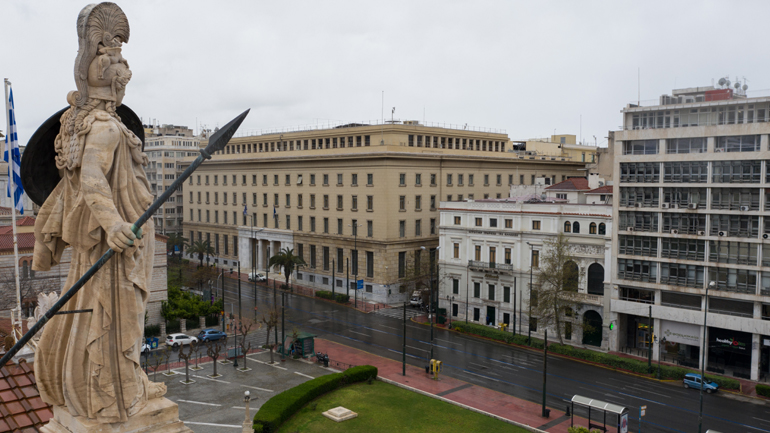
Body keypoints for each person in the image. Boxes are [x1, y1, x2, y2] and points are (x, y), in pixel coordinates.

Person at [33, 3, 164, 423]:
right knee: (119, 319)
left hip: (108, 240)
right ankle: (115, 395)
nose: (125, 77)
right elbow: (91, 177)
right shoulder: (105, 127)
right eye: (121, 67)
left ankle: (117, 382)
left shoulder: (80, 121)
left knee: (109, 315)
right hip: (118, 243)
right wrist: (115, 225)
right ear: (114, 82)